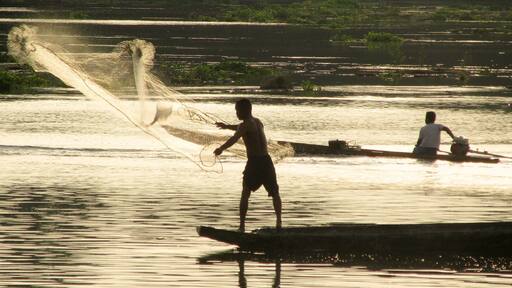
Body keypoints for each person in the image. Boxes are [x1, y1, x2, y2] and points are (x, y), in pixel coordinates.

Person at [214, 98, 281, 232]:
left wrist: (221, 149)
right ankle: (279, 223)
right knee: (275, 193)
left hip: (255, 162)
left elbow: (234, 138)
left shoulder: (245, 125)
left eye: (237, 110)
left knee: (245, 192)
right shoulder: (257, 122)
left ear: (245, 110)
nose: (236, 113)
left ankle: (242, 226)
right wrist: (227, 126)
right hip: (267, 161)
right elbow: (241, 128)